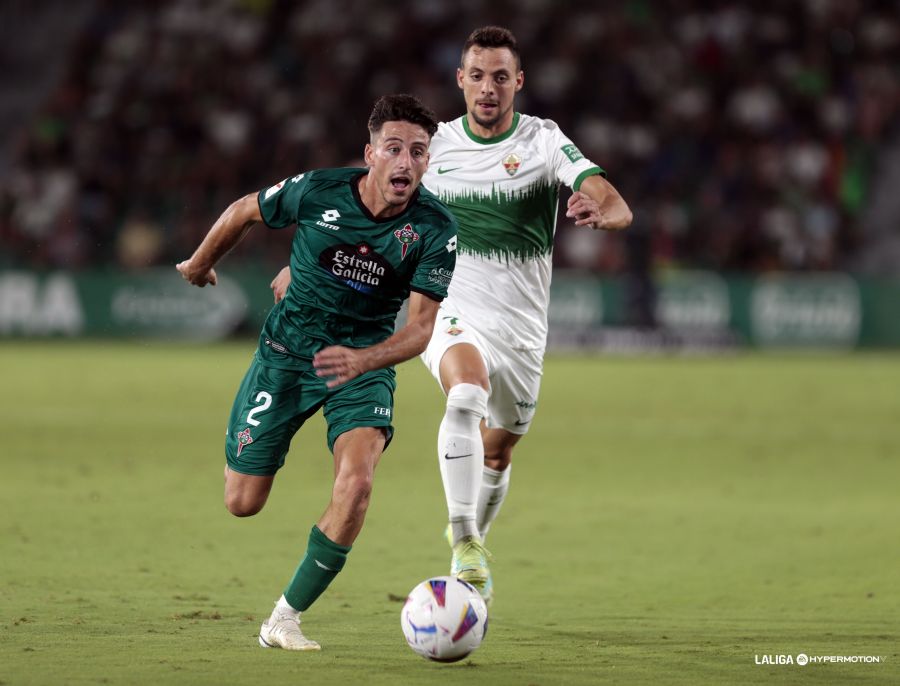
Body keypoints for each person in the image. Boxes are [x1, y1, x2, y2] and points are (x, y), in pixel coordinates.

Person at [271, 27, 632, 607]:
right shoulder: (431, 147)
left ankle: (473, 538)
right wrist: (307, 262)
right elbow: (359, 200)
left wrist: (602, 211)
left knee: (498, 450)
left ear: (519, 82)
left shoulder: (543, 141)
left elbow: (611, 197)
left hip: (521, 325)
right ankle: (464, 539)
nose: (488, 88)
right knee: (465, 392)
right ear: (460, 80)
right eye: (477, 76)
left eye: (500, 77)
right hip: (450, 304)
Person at [176, 94, 457, 652]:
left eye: (418, 152)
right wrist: (201, 262)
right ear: (370, 153)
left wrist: (364, 359)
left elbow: (422, 330)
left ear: (429, 161)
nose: (405, 162)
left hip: (362, 363)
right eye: (394, 149)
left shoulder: (434, 230)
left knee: (357, 487)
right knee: (242, 501)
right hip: (287, 353)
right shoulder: (319, 190)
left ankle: (283, 618)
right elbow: (244, 210)